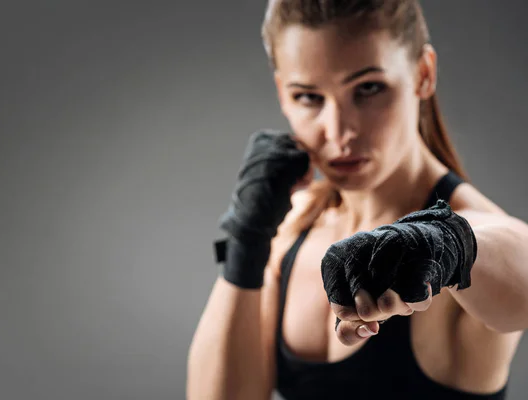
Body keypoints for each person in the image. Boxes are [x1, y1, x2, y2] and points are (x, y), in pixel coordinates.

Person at [186, 1, 528, 399]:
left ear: (423, 74)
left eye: (367, 89)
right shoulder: (289, 225)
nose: (338, 131)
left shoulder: (466, 230)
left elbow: (515, 259)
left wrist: (451, 245)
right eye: (309, 97)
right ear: (282, 92)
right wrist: (245, 241)